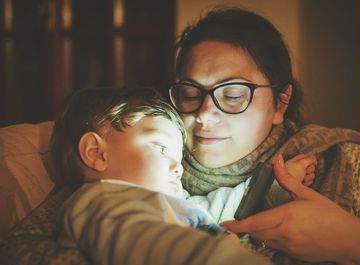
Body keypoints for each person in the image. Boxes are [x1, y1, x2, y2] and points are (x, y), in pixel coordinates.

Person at [168, 7, 360, 265]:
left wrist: (357, 243)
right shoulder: (150, 167)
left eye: (233, 95)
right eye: (190, 93)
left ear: (280, 103)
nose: (204, 114)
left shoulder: (348, 163)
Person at [51, 87, 315, 265]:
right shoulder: (100, 202)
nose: (178, 168)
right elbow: (153, 245)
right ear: (96, 153)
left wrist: (277, 185)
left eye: (178, 158)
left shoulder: (174, 204)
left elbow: (225, 205)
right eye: (160, 148)